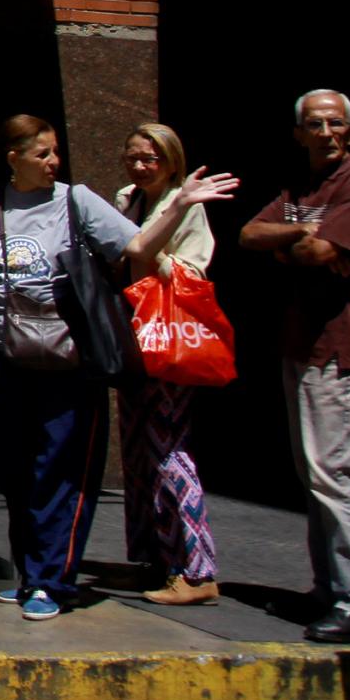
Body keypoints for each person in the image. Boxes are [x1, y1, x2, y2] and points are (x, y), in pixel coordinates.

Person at [0, 114, 180, 621]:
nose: (53, 162)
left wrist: (182, 206)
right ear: (13, 158)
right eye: (42, 153)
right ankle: (29, 576)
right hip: (4, 358)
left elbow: (135, 247)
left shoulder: (75, 200)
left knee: (61, 471)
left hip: (69, 361)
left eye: (55, 152)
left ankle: (53, 581)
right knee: (17, 474)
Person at [238, 87, 350, 644]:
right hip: (302, 344)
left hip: (340, 346)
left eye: (334, 124)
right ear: (298, 133)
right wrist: (297, 234)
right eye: (313, 124)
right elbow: (249, 233)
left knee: (335, 474)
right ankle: (330, 589)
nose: (324, 132)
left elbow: (322, 253)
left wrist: (299, 243)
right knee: (314, 475)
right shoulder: (304, 188)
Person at [114, 121, 240, 605]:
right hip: (132, 333)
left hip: (167, 335)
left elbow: (187, 269)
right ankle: (155, 559)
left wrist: (156, 252)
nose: (141, 166)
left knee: (169, 449)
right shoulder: (127, 197)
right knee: (136, 449)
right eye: (134, 156)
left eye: (152, 159)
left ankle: (197, 568)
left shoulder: (185, 206)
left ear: (172, 163)